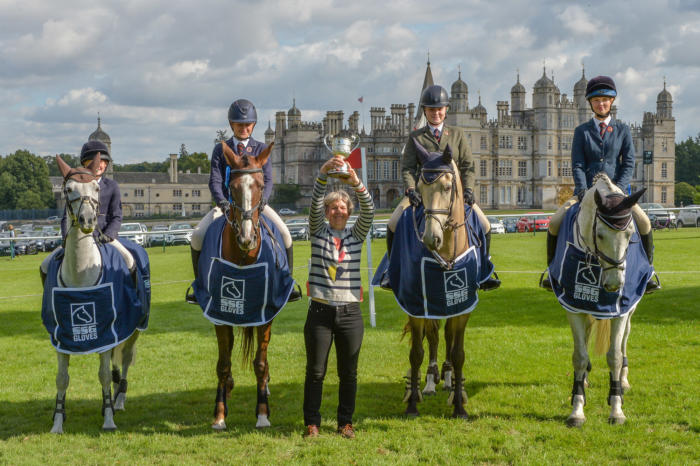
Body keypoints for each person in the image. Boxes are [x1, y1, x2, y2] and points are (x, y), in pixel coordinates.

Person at [541, 75, 659, 293]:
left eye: (605, 100)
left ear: (611, 102)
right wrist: (583, 191)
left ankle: (649, 271)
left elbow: (629, 162)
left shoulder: (623, 130)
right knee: (555, 222)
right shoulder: (582, 131)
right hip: (587, 193)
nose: (601, 104)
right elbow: (577, 164)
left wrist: (620, 190)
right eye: (596, 100)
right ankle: (551, 271)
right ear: (590, 103)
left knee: (644, 223)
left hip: (618, 194)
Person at [386, 84, 500, 290]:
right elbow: (408, 169)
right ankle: (391, 270)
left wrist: (468, 190)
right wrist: (411, 190)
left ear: (446, 109)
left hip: (453, 195)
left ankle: (484, 271)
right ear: (425, 111)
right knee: (393, 223)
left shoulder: (457, 134)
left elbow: (468, 166)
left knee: (485, 225)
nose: (436, 113)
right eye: (431, 109)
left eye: (439, 109)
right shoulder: (416, 137)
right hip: (422, 194)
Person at [187, 99, 301, 303]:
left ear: (253, 125)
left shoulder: (260, 148)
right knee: (197, 236)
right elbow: (215, 179)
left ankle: (287, 283)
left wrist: (264, 201)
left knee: (285, 234)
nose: (244, 128)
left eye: (248, 124)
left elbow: (267, 179)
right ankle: (199, 287)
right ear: (232, 125)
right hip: (227, 205)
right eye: (240, 124)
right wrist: (222, 202)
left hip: (257, 205)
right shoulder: (220, 149)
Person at [303, 156, 374, 439]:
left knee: (349, 374)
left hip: (350, 314)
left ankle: (345, 422)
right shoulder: (318, 232)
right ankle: (312, 423)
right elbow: (313, 207)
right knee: (316, 372)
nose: (338, 211)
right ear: (327, 212)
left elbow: (368, 210)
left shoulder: (356, 235)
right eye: (333, 207)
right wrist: (322, 174)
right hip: (320, 313)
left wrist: (355, 182)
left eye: (343, 207)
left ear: (349, 211)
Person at [40, 141, 133, 285]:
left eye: (103, 161)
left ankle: (133, 298)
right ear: (86, 164)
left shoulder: (112, 186)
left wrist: (108, 235)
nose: (100, 165)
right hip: (76, 239)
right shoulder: (77, 186)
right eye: (96, 161)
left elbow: (116, 215)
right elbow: (66, 217)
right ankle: (51, 298)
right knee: (45, 266)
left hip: (105, 238)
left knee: (128, 260)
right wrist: (66, 238)